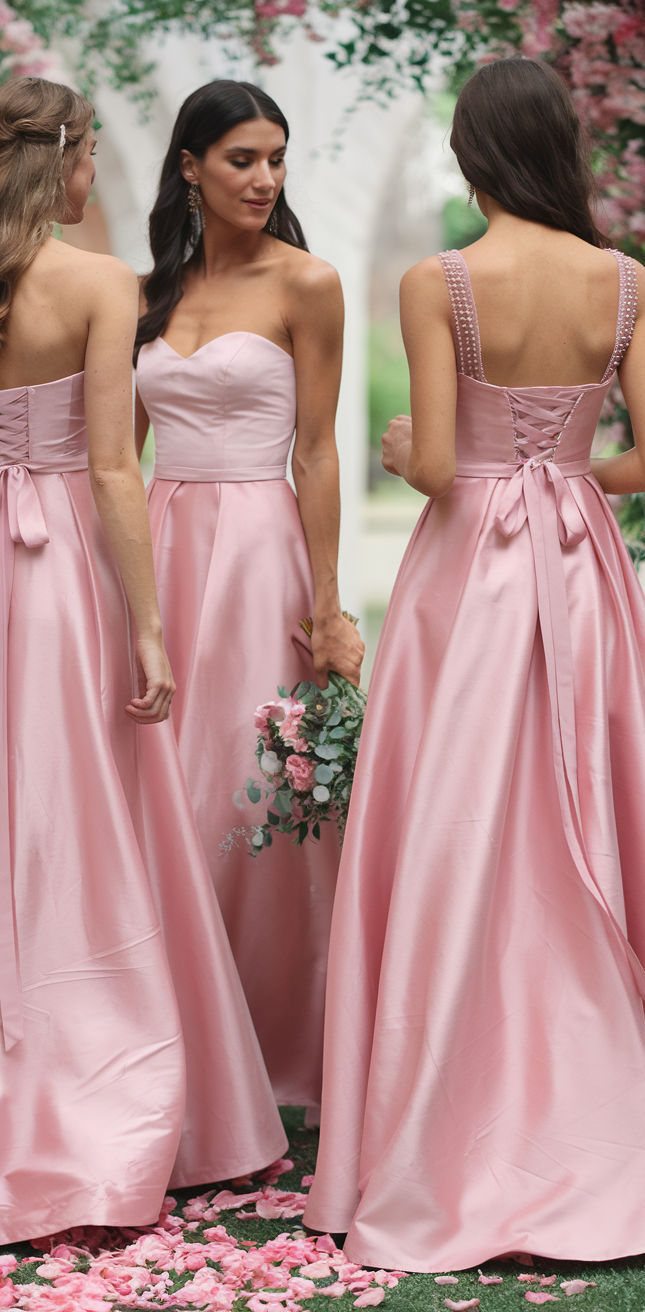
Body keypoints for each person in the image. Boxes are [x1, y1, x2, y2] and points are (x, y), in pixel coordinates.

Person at [303, 57, 645, 1271]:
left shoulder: (438, 281)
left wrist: (401, 444)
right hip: (577, 569)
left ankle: (451, 1114)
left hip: (469, 584)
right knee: (597, 811)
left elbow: (441, 464)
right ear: (562, 146)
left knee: (460, 823)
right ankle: (621, 1112)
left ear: (470, 152)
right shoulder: (626, 282)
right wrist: (560, 472)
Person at [0, 75, 286, 1245]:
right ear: (66, 162)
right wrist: (152, 622)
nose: (91, 180)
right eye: (89, 160)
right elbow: (117, 468)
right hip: (58, 567)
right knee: (79, 811)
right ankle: (96, 1068)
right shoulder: (101, 283)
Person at [135, 80, 364, 1118]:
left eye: (276, 157)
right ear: (189, 165)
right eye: (241, 159)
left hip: (256, 550)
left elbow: (316, 452)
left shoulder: (306, 282)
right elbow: (113, 454)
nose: (265, 178)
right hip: (162, 544)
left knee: (245, 790)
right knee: (155, 788)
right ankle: (165, 1041)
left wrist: (326, 604)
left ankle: (278, 1046)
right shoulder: (151, 291)